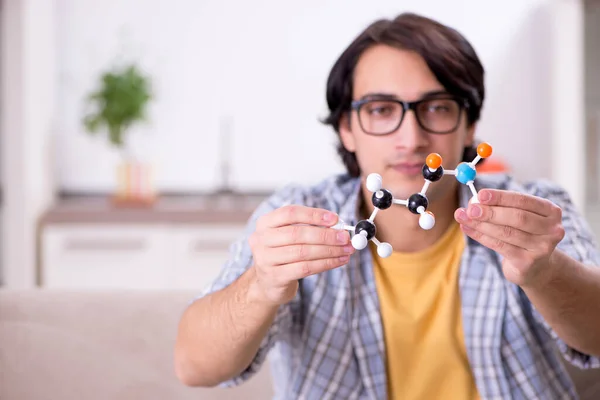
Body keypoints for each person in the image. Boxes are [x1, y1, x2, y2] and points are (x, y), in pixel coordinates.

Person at [174, 12, 600, 399]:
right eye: (381, 110)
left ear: (469, 124)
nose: (411, 138)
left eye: (436, 108)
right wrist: (261, 286)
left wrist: (546, 273)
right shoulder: (299, 215)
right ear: (347, 129)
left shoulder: (531, 214)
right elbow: (194, 367)